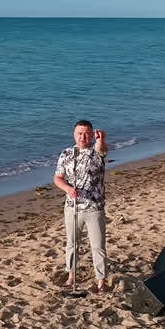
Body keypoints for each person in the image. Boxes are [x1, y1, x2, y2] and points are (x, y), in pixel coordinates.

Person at [53, 120, 108, 292]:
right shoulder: (66, 153)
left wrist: (101, 140)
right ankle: (71, 275)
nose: (82, 137)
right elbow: (58, 178)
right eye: (79, 133)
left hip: (94, 208)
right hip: (72, 207)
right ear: (74, 134)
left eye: (86, 133)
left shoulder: (96, 153)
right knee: (72, 243)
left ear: (91, 135)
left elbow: (102, 149)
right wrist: (68, 189)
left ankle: (101, 281)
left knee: (97, 246)